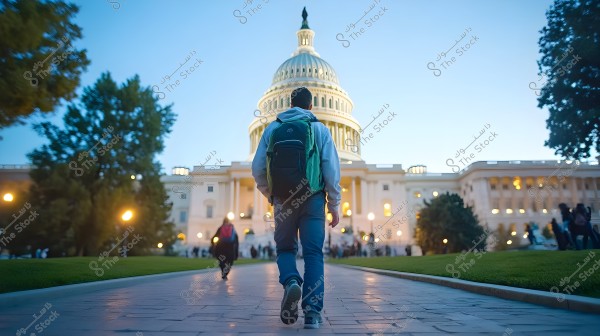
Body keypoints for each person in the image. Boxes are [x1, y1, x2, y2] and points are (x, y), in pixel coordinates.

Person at [252, 87, 341, 329]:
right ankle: (312, 313)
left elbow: (258, 168)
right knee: (313, 254)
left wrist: (271, 194)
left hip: (283, 199)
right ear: (311, 106)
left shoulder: (272, 129)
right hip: (312, 198)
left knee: (285, 249)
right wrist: (334, 205)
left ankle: (291, 281)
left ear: (289, 104)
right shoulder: (320, 129)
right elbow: (331, 172)